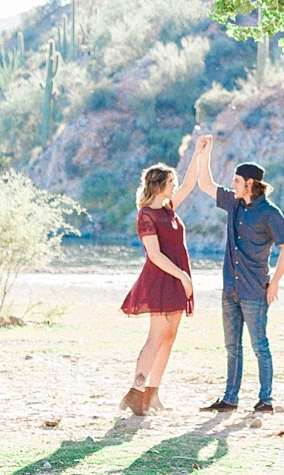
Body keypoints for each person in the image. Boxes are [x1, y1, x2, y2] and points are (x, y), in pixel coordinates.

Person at [197, 149, 284, 414]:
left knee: (260, 347)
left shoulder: (270, 214)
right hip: (230, 289)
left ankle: (266, 400)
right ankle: (230, 399)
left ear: (250, 184)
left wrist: (274, 283)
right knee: (232, 347)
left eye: (236, 181)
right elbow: (205, 184)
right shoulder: (233, 203)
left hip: (254, 291)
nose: (232, 185)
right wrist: (202, 152)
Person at [118, 135, 211, 415]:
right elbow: (155, 255)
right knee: (156, 336)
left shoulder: (168, 209)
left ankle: (152, 394)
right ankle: (135, 393)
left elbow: (189, 185)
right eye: (170, 182)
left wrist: (197, 154)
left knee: (170, 336)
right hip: (161, 278)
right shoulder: (147, 215)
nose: (174, 186)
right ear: (160, 186)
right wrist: (183, 276)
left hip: (175, 278)